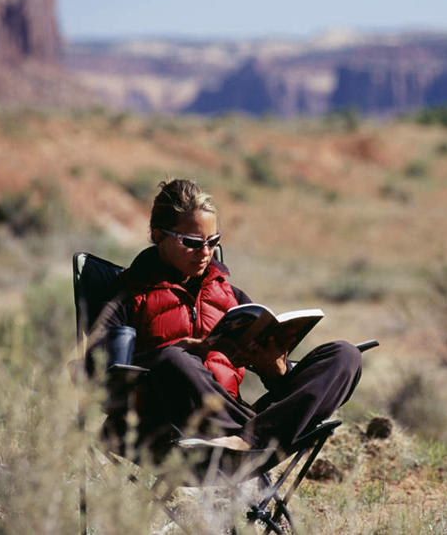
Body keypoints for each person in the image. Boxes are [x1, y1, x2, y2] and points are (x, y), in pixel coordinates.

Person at [101, 178, 362, 462]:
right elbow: (100, 373)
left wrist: (276, 373)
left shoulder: (229, 295)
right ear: (159, 235)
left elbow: (273, 373)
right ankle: (260, 436)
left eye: (213, 242)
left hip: (234, 428)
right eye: (192, 243)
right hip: (168, 429)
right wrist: (172, 355)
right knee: (173, 361)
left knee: (344, 356)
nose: (205, 253)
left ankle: (250, 438)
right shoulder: (126, 294)